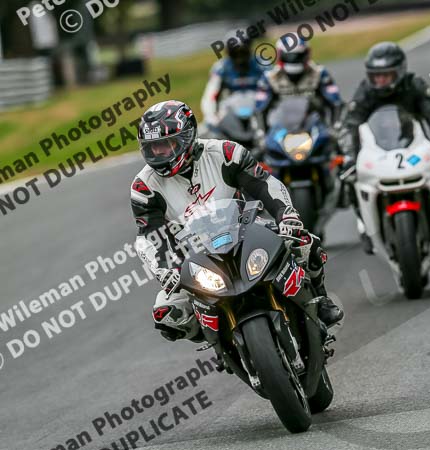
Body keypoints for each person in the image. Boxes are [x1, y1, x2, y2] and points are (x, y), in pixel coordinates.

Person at [130, 100, 343, 342]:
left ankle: (321, 301)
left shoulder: (225, 153)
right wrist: (165, 268)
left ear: (187, 137)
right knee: (167, 313)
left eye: (165, 145)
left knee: (305, 243)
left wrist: (286, 216)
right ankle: (217, 340)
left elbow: (264, 184)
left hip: (247, 230)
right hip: (192, 255)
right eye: (152, 147)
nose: (158, 154)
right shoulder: (144, 186)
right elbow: (149, 235)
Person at [338, 42, 430, 251]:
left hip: (413, 144)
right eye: (376, 76)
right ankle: (365, 225)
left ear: (400, 71)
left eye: (386, 75)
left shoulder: (415, 86)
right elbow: (350, 123)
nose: (380, 81)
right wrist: (350, 158)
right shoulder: (365, 91)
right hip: (378, 149)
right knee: (350, 180)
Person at [257, 34, 343, 128]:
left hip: (314, 126)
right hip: (281, 128)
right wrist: (262, 132)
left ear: (307, 54)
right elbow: (260, 108)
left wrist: (335, 127)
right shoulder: (270, 77)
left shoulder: (319, 73)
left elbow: (335, 102)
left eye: (298, 56)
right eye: (289, 56)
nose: (293, 59)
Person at [201, 34, 269, 129]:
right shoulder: (220, 68)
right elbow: (210, 95)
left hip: (260, 107)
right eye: (235, 53)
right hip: (231, 108)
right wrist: (211, 116)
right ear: (228, 53)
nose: (240, 57)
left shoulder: (262, 64)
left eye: (243, 52)